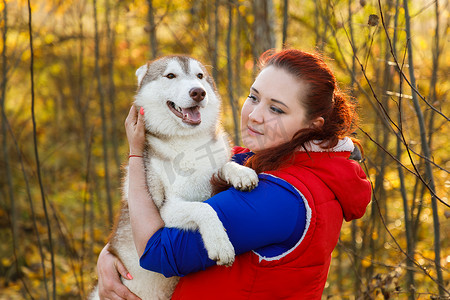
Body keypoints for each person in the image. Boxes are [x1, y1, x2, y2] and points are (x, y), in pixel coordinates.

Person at [96, 49, 372, 299]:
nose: (254, 115)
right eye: (253, 97)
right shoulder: (265, 158)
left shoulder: (280, 197)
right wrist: (110, 255)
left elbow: (156, 252)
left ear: (313, 124)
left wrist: (136, 152)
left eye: (276, 109)